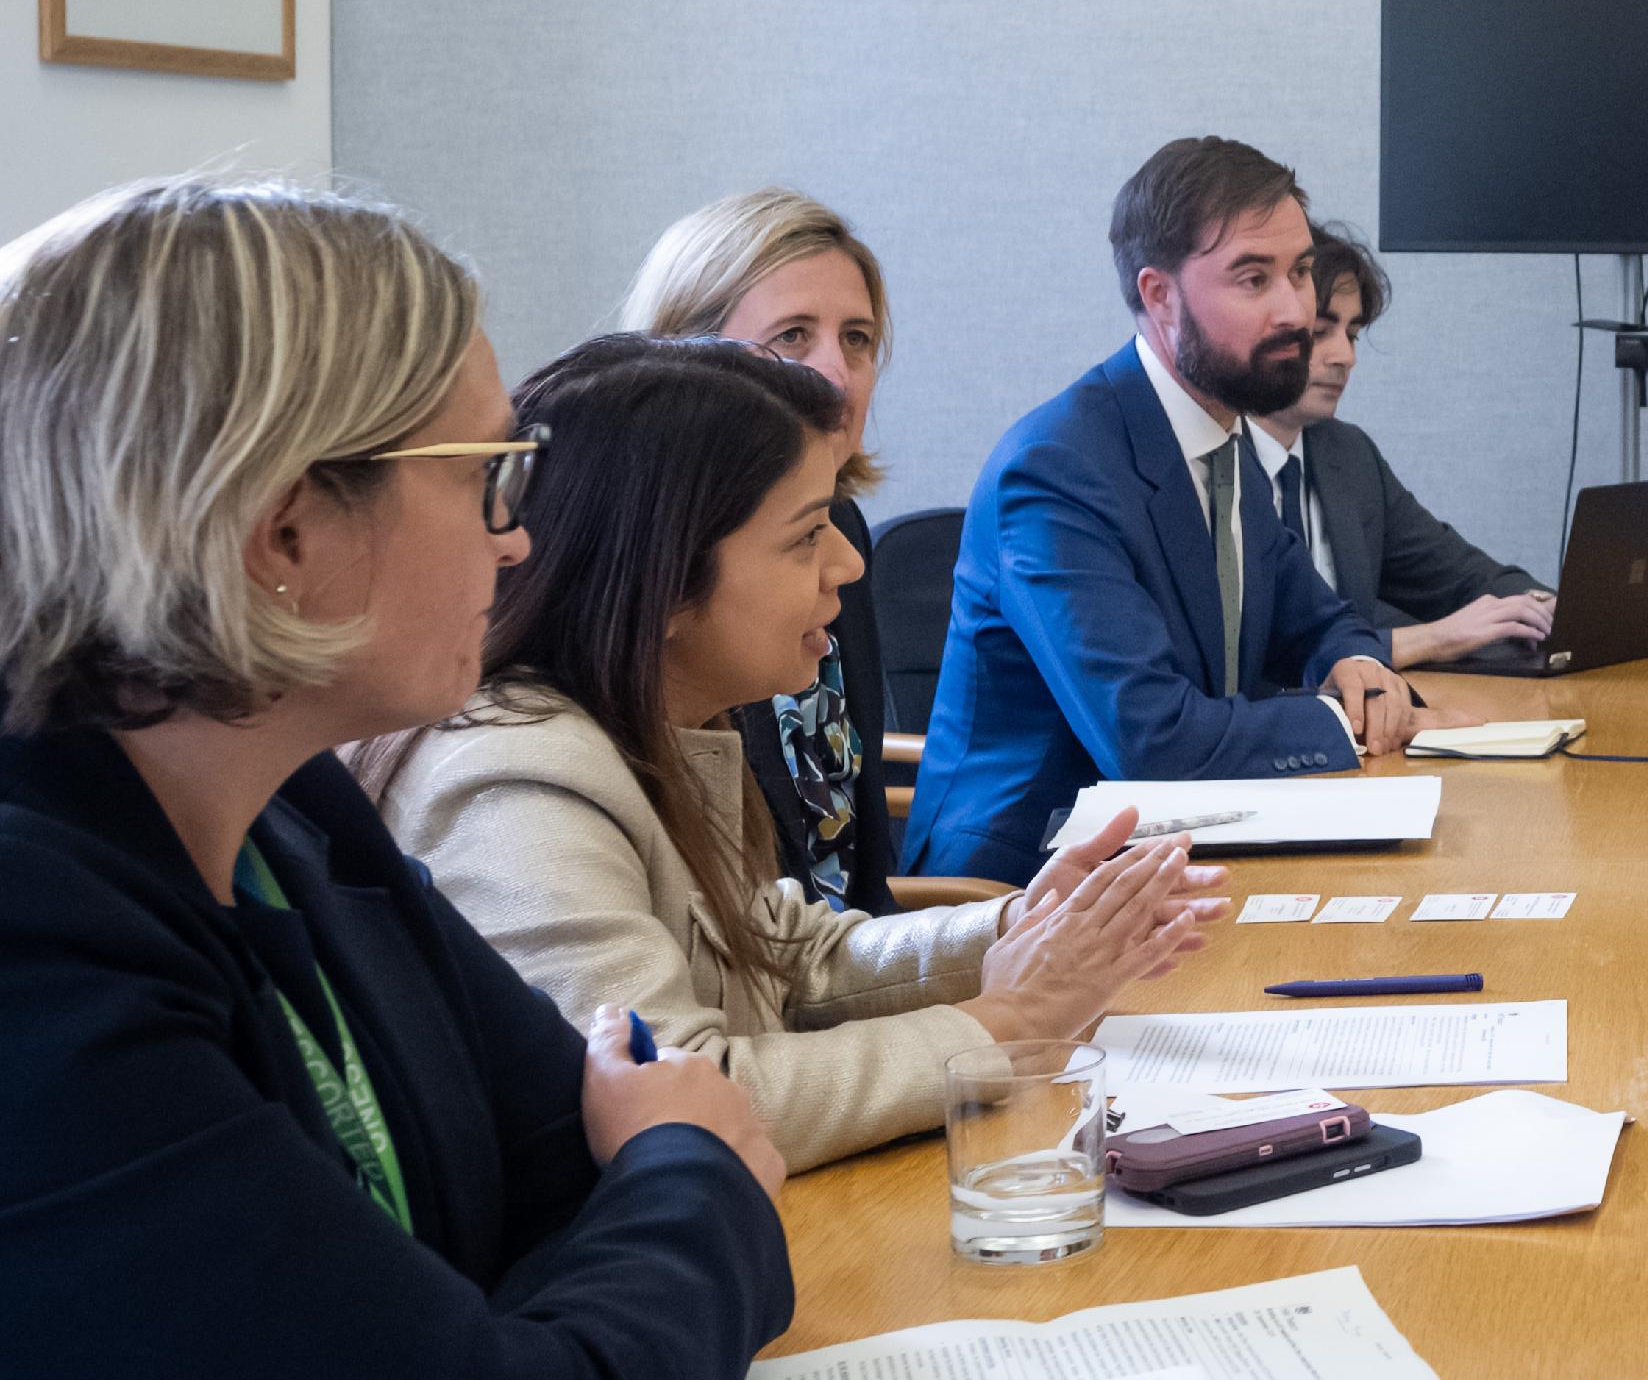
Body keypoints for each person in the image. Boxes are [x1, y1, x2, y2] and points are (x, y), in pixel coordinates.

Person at [0, 176, 791, 1380]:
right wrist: (685, 1167)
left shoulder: (298, 808)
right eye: (490, 471)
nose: (518, 534)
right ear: (288, 530)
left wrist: (547, 1309)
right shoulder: (30, 952)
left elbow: (562, 1177)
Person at [360, 338, 1224, 1171]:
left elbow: (785, 957)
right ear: (660, 580)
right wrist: (1005, 1022)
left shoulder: (662, 717)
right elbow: (686, 1096)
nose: (849, 564)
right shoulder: (517, 781)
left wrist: (1015, 927)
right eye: (808, 533)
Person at [901, 137, 1492, 882]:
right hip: (1017, 894)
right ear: (1159, 296)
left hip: (1186, 851)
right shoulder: (1056, 468)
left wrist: (1358, 662)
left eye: (1302, 272)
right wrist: (1344, 720)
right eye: (1253, 278)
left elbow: (1315, 616)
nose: (1296, 312)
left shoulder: (1223, 435)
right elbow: (1151, 739)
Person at [619, 187, 901, 911]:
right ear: (683, 356)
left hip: (844, 979)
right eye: (793, 336)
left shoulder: (842, 530)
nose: (836, 374)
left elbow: (863, 876)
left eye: (858, 339)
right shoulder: (664, 564)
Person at [1249, 220, 1554, 669]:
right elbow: (1265, 654)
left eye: (1352, 335)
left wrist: (1541, 607)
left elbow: (1460, 575)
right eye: (1320, 333)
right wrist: (1435, 638)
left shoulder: (1348, 455)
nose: (1345, 357)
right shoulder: (1213, 467)